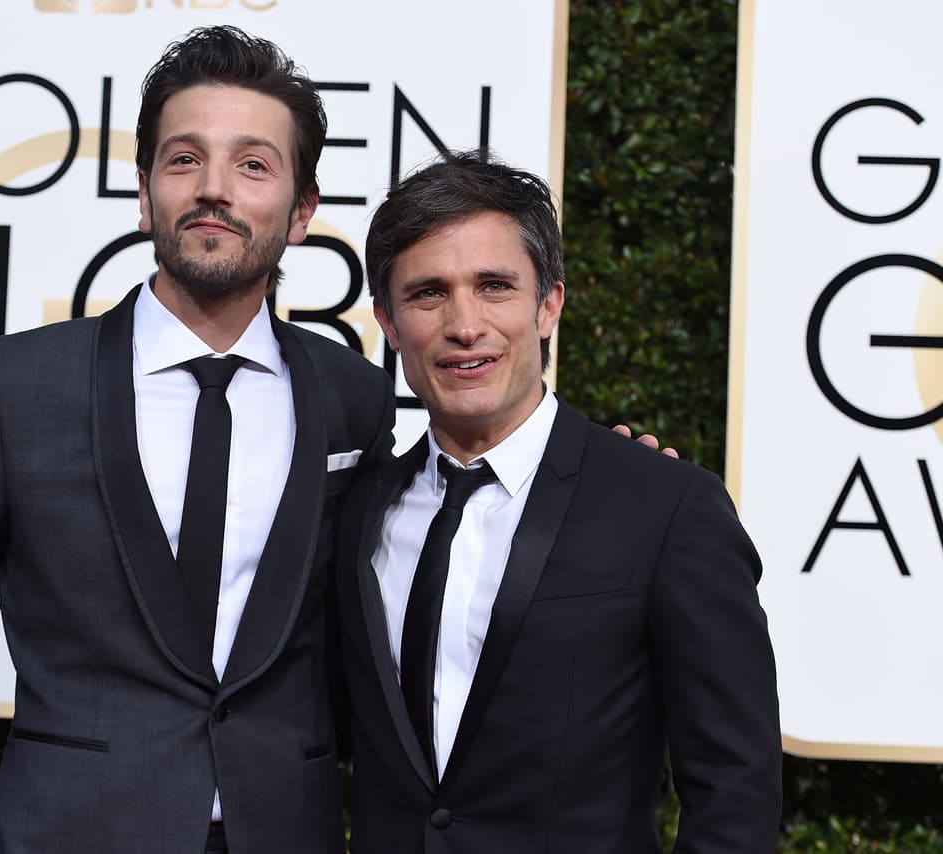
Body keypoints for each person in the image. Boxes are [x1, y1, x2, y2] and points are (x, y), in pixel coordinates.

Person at [0, 26, 394, 854]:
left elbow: (420, 565)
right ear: (144, 195)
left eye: (254, 165)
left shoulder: (353, 395)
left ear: (301, 213)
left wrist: (610, 487)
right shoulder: (15, 387)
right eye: (184, 160)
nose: (214, 188)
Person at [335, 151, 782, 852]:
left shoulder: (667, 509)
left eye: (494, 287)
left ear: (549, 306)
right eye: (428, 293)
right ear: (389, 324)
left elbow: (735, 787)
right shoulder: (358, 513)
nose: (465, 324)